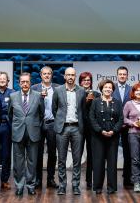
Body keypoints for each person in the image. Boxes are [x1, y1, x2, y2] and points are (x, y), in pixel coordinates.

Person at [8, 72, 45, 196]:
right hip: (18, 133)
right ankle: (19, 185)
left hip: (33, 133)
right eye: (22, 82)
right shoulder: (13, 96)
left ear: (30, 83)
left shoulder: (38, 95)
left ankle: (30, 185)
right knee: (18, 162)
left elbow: (41, 114)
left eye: (27, 82)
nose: (25, 84)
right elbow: (10, 115)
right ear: (19, 83)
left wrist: (34, 126)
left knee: (32, 161)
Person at [52, 67, 86, 195]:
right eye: (68, 75)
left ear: (75, 76)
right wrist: (61, 121)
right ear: (64, 77)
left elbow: (83, 110)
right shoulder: (58, 90)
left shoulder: (81, 91)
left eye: (73, 75)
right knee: (61, 159)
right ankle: (62, 185)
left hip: (77, 128)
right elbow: (54, 108)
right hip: (63, 128)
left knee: (77, 159)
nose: (70, 77)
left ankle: (76, 185)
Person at [89, 79, 123, 194]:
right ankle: (98, 187)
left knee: (112, 163)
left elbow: (121, 119)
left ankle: (111, 188)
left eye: (110, 87)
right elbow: (92, 118)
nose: (108, 89)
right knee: (98, 162)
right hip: (98, 137)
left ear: (112, 90)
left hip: (113, 137)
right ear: (102, 89)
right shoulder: (95, 101)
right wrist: (100, 130)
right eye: (106, 87)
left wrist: (113, 131)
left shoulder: (117, 102)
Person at [31, 66, 59, 189]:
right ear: (41, 75)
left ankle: (50, 179)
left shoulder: (58, 88)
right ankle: (37, 179)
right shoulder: (34, 88)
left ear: (52, 75)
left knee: (52, 153)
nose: (47, 75)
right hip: (38, 123)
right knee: (38, 153)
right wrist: (39, 97)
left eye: (49, 73)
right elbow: (30, 106)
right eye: (44, 74)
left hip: (53, 123)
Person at [0, 71, 14, 190]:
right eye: (0, 78)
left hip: (7, 127)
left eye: (4, 78)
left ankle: (5, 180)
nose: (2, 80)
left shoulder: (13, 93)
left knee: (6, 155)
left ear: (8, 81)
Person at [79, 71, 100, 189]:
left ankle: (89, 180)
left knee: (91, 155)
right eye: (84, 80)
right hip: (80, 128)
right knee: (78, 155)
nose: (86, 82)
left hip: (92, 129)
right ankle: (75, 181)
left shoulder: (96, 94)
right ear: (80, 82)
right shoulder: (77, 93)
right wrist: (86, 101)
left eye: (88, 80)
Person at [113, 66, 132, 188]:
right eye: (120, 74)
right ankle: (112, 178)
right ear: (117, 75)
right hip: (113, 125)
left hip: (127, 126)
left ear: (127, 76)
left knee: (128, 153)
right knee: (112, 153)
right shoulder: (111, 88)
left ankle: (127, 178)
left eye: (124, 74)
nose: (122, 76)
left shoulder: (132, 89)